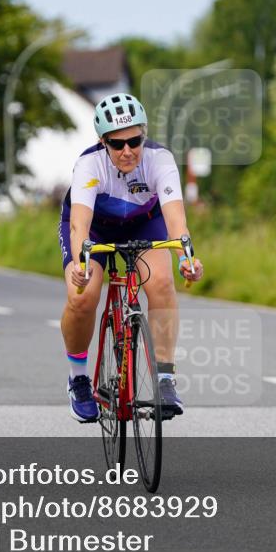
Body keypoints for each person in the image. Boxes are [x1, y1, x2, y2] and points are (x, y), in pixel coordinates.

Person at [59, 93, 204, 422]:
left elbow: (177, 222)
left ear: (144, 134)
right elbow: (79, 224)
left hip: (142, 222)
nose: (127, 151)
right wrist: (81, 267)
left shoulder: (160, 160)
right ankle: (78, 378)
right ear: (103, 142)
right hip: (94, 228)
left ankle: (165, 379)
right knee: (82, 296)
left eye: (135, 141)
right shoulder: (88, 165)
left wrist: (188, 257)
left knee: (163, 283)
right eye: (117, 144)